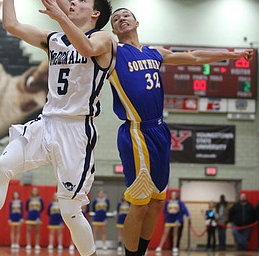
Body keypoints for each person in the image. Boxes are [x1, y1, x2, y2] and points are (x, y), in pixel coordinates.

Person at [0, 0, 113, 255]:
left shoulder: (104, 39)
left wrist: (60, 16)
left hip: (76, 131)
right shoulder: (53, 39)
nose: (75, 1)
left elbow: (86, 48)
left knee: (70, 210)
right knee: (1, 166)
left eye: (83, 0)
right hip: (47, 122)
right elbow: (12, 25)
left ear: (95, 13)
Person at [107, 8, 253, 256]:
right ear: (112, 30)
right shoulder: (112, 51)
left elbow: (194, 57)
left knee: (156, 203)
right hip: (136, 132)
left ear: (137, 22)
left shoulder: (154, 53)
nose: (121, 19)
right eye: (115, 19)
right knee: (139, 205)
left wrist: (232, 54)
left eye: (125, 15)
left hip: (160, 130)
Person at [25, 187, 44, 251]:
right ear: (32, 192)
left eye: (36, 191)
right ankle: (28, 244)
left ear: (38, 192)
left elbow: (42, 208)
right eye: (33, 191)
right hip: (30, 216)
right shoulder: (29, 199)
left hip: (37, 217)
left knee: (37, 231)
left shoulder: (40, 199)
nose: (35, 192)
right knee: (28, 231)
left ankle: (37, 244)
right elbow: (26, 208)